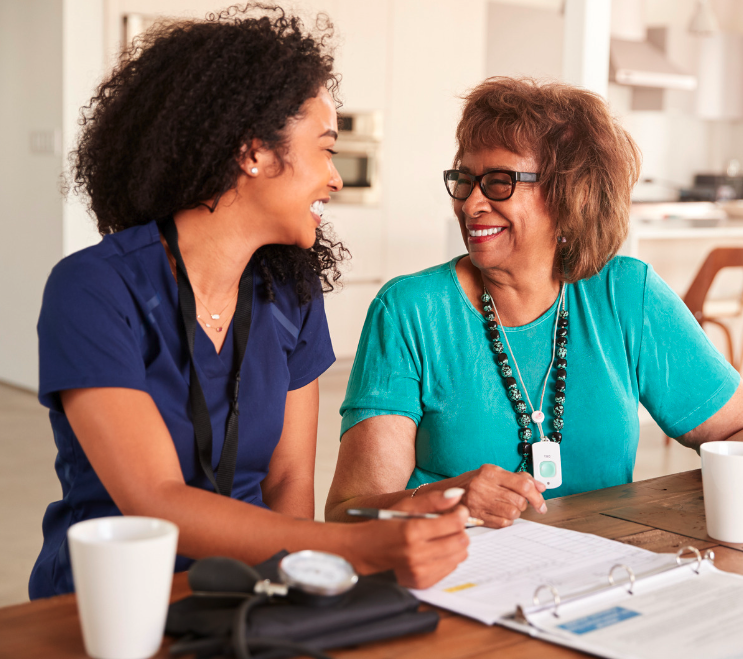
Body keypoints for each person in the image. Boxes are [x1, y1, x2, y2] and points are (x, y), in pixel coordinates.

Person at [30, 6, 467, 600]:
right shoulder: (93, 289)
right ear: (254, 152)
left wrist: (299, 591)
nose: (335, 178)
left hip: (251, 594)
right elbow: (155, 499)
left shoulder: (291, 292)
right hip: (111, 601)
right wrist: (355, 549)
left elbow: (288, 481)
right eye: (325, 149)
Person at [326, 77, 743, 529]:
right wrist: (446, 498)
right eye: (465, 180)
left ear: (570, 195)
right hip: (459, 570)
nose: (470, 205)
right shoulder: (410, 312)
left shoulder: (625, 294)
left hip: (608, 568)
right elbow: (351, 512)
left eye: (499, 182)